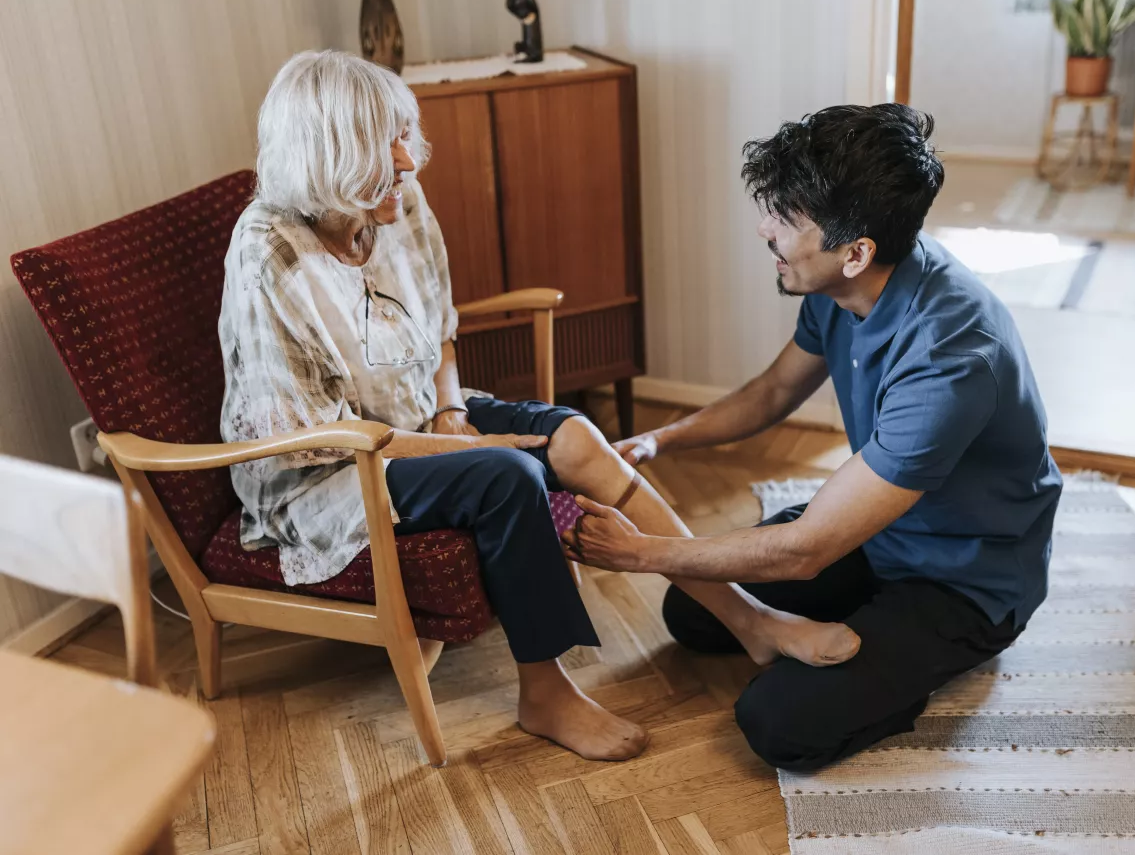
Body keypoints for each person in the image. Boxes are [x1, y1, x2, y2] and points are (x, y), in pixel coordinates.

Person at [217, 50, 861, 763]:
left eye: (405, 133)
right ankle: (544, 691)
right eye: (386, 143)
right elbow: (319, 436)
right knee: (506, 475)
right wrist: (467, 449)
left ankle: (750, 620)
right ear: (329, 154)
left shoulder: (398, 206)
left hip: (416, 414)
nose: (409, 157)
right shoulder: (267, 254)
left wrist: (448, 408)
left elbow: (439, 328)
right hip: (328, 470)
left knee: (579, 439)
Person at [565, 104, 1063, 771]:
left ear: (856, 251)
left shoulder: (951, 353)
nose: (765, 229)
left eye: (787, 219)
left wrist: (638, 552)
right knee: (694, 614)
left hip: (965, 579)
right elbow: (771, 393)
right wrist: (662, 440)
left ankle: (913, 669)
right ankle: (859, 626)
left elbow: (805, 550)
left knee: (776, 721)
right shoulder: (838, 284)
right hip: (881, 534)